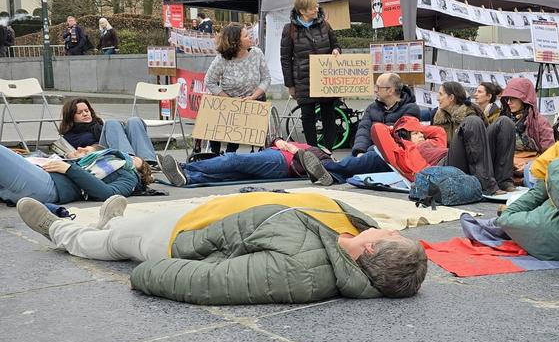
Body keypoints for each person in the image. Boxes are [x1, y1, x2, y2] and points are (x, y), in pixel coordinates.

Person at [16, 192, 428, 304]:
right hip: (204, 213)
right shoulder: (358, 229)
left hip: (177, 239)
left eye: (392, 238)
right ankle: (116, 222)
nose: (389, 230)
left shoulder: (303, 272)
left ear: (372, 252)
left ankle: (61, 232)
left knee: (106, 244)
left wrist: (143, 273)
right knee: (124, 227)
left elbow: (212, 282)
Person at [298, 73, 421, 185]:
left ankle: (323, 166)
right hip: (370, 151)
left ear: (390, 90)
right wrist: (359, 150)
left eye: (378, 87)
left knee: (365, 160)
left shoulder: (410, 109)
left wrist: (372, 149)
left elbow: (402, 136)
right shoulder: (372, 108)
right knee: (354, 160)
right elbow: (363, 130)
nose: (375, 90)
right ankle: (329, 174)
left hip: (393, 155)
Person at [280, 0, 341, 149]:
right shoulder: (290, 30)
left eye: (316, 5)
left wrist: (336, 51)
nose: (317, 9)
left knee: (328, 114)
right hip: (303, 80)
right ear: (302, 11)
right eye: (313, 7)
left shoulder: (325, 25)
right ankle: (312, 151)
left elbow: (336, 45)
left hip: (325, 78)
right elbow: (285, 59)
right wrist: (290, 85)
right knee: (307, 116)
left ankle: (329, 151)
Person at [0, 143, 150, 205]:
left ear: (141, 170)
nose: (129, 156)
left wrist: (69, 169)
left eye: (135, 158)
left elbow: (109, 194)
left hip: (50, 186)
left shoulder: (129, 176)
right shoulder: (104, 160)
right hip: (41, 182)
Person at [433, 81, 515, 193]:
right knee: (473, 121)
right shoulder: (438, 117)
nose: (438, 98)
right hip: (453, 161)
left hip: (479, 160)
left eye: (441, 94)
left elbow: (484, 142)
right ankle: (485, 184)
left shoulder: (473, 113)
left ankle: (503, 180)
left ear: (451, 97)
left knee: (505, 122)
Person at [204, 23, 271, 155]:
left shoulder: (256, 54)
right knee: (217, 115)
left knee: (240, 115)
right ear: (236, 42)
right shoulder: (222, 60)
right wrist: (229, 99)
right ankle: (214, 153)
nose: (250, 37)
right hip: (229, 102)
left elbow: (266, 79)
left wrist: (253, 96)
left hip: (253, 101)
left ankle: (231, 153)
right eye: (246, 36)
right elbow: (209, 81)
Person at [156, 139, 332, 187]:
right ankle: (189, 178)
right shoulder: (313, 147)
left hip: (281, 161)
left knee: (233, 159)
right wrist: (278, 141)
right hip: (276, 158)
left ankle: (184, 168)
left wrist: (295, 150)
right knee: (228, 175)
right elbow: (275, 140)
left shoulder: (322, 154)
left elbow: (312, 165)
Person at [59, 98, 158, 165]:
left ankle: (149, 162)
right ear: (71, 116)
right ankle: (130, 161)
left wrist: (124, 128)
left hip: (114, 149)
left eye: (86, 110)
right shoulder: (71, 135)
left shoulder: (98, 125)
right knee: (111, 123)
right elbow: (79, 152)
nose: (85, 114)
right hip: (101, 154)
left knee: (134, 121)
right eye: (79, 113)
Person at [499, 78, 555, 183]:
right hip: (507, 165)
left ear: (524, 99)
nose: (509, 102)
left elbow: (549, 152)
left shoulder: (540, 122)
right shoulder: (503, 120)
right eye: (507, 99)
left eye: (513, 99)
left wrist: (532, 164)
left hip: (532, 167)